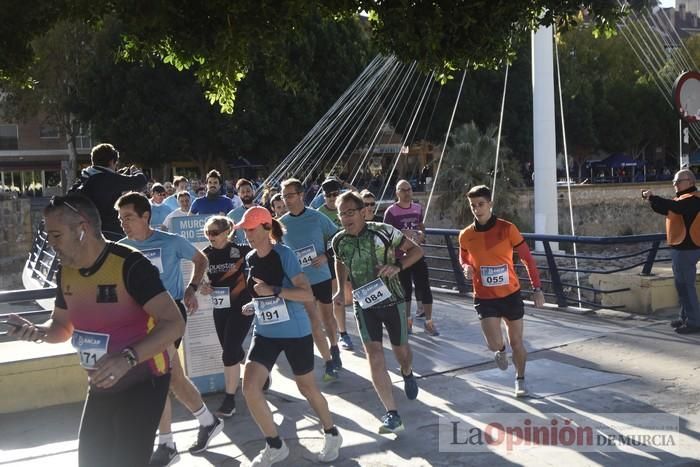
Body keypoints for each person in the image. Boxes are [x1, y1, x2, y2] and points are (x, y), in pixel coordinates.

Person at [7, 193, 185, 467]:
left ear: (82, 229)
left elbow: (174, 323)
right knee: (90, 460)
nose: (51, 244)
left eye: (56, 235)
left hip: (144, 380)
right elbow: (61, 328)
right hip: (102, 382)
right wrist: (37, 332)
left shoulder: (130, 265)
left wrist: (127, 357)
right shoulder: (66, 272)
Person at [115, 192, 223, 465]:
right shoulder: (121, 248)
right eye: (120, 218)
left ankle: (167, 443)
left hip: (170, 315)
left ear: (145, 216)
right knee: (173, 377)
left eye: (128, 217)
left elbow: (201, 260)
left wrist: (192, 288)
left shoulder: (171, 241)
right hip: (139, 318)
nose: (123, 223)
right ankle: (208, 421)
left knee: (157, 376)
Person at [237, 206, 342, 465]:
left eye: (250, 229)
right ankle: (274, 445)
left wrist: (273, 290)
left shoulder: (284, 255)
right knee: (250, 387)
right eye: (245, 230)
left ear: (265, 227)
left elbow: (306, 294)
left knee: (307, 387)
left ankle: (332, 433)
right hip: (265, 332)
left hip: (295, 332)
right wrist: (255, 303)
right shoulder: (250, 257)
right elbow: (261, 294)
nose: (247, 234)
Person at [332, 191, 421, 434]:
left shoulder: (384, 231)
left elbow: (416, 252)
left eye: (350, 213)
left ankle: (407, 372)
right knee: (374, 355)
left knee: (401, 350)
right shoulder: (339, 240)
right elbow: (339, 261)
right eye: (341, 214)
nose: (345, 218)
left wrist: (397, 266)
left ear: (363, 212)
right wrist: (341, 289)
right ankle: (392, 414)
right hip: (364, 304)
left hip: (393, 301)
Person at [458, 185, 546, 398]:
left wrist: (537, 288)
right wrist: (466, 268)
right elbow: (464, 258)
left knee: (517, 341)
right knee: (495, 343)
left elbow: (527, 259)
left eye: (481, 204)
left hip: (510, 294)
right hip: (484, 297)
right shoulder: (466, 235)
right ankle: (500, 351)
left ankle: (520, 380)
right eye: (473, 206)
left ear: (490, 204)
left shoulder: (508, 229)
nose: (477, 209)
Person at [280, 178, 341, 381]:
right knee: (313, 322)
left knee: (327, 318)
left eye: (290, 195)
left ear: (300, 195)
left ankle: (334, 347)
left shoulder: (317, 217)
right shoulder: (282, 223)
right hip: (300, 282)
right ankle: (328, 362)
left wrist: (326, 256)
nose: (286, 199)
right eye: (284, 196)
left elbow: (337, 237)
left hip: (321, 275)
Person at [199, 216, 256, 418]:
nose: (210, 237)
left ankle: (229, 399)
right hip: (220, 307)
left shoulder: (240, 250)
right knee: (230, 349)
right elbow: (200, 281)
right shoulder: (205, 255)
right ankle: (258, 372)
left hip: (242, 306)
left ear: (226, 233)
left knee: (229, 351)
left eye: (214, 233)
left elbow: (262, 262)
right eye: (207, 233)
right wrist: (203, 287)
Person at [642, 169, 700, 334]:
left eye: (678, 181)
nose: (674, 184)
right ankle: (686, 317)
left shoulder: (694, 199)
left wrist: (654, 197)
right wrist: (651, 200)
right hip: (680, 247)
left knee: (686, 286)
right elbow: (665, 209)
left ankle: (694, 322)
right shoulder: (682, 199)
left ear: (690, 182)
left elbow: (676, 207)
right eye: (674, 181)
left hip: (687, 248)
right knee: (681, 286)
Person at [383, 180, 439, 336]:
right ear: (397, 192)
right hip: (400, 256)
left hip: (417, 254)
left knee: (425, 288)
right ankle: (407, 321)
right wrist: (402, 234)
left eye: (409, 189)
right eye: (403, 190)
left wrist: (422, 236)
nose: (407, 193)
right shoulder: (391, 211)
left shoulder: (417, 207)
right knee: (405, 290)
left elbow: (421, 226)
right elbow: (386, 233)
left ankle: (429, 322)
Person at [69, 143, 147, 240]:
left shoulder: (85, 177)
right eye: (116, 164)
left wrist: (118, 174)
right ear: (111, 162)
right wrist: (136, 171)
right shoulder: (110, 179)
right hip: (111, 234)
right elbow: (140, 181)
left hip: (87, 233)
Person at [227, 178, 257, 244]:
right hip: (241, 252)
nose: (246, 194)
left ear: (253, 192)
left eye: (248, 191)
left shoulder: (262, 211)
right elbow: (229, 237)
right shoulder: (232, 215)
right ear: (238, 194)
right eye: (242, 192)